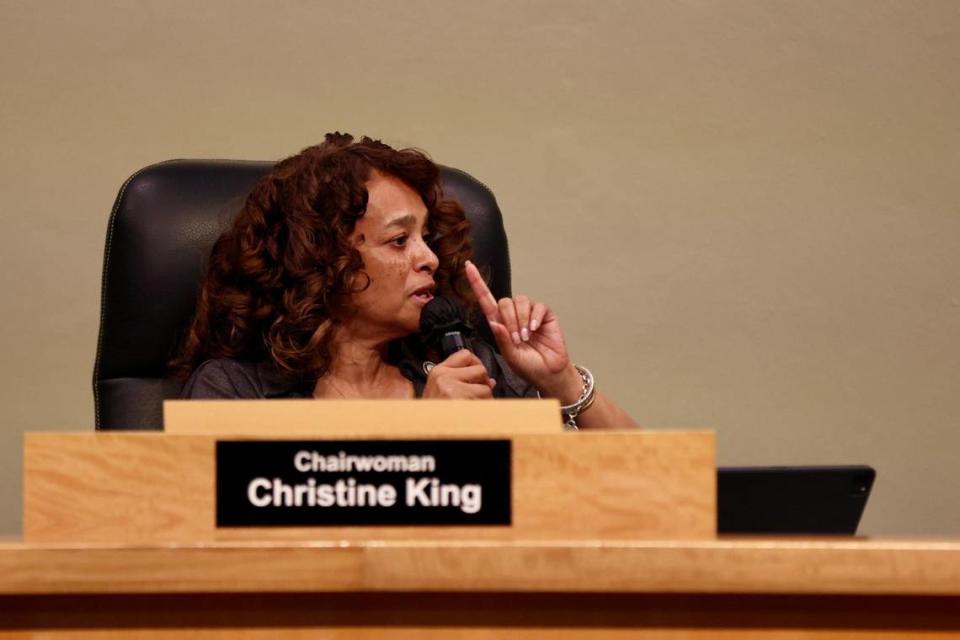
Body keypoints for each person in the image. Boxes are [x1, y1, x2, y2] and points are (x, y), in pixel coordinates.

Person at [173, 133, 637, 430]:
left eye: (427, 237)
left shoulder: (471, 371)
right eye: (399, 241)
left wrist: (562, 384)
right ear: (324, 259)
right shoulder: (235, 392)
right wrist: (421, 433)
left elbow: (648, 483)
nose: (430, 258)